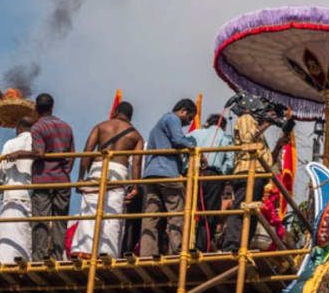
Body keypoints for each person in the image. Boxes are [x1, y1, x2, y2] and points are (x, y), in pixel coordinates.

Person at [5, 93, 74, 261]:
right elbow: (72, 154)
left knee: (41, 220)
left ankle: (39, 257)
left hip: (43, 179)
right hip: (62, 179)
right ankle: (57, 256)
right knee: (60, 220)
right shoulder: (66, 127)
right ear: (52, 107)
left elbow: (39, 153)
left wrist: (19, 153)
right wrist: (65, 171)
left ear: (36, 108)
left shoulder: (37, 127)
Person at [69, 101, 143, 258]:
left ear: (115, 112)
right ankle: (106, 253)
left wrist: (80, 178)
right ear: (130, 117)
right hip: (118, 174)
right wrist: (135, 187)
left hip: (97, 170)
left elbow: (87, 151)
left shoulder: (101, 126)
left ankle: (83, 250)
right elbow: (136, 162)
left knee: (89, 212)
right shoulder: (136, 136)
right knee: (112, 215)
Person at [138, 98, 198, 257]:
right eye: (189, 118)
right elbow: (178, 139)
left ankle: (147, 253)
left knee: (151, 216)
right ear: (184, 111)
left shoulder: (160, 124)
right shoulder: (172, 118)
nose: (188, 123)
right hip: (166, 172)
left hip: (151, 175)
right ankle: (177, 250)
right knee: (177, 213)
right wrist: (194, 149)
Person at [221, 109, 274, 252]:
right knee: (240, 210)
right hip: (247, 171)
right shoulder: (246, 117)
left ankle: (243, 246)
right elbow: (247, 140)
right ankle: (231, 246)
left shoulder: (255, 125)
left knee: (251, 213)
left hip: (257, 173)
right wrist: (265, 125)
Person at [187, 113, 234, 251]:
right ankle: (201, 247)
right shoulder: (225, 137)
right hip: (213, 176)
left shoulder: (194, 134)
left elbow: (185, 153)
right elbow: (230, 161)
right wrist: (222, 176)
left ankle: (185, 245)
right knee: (209, 213)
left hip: (192, 175)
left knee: (188, 211)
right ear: (223, 126)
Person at [0, 115, 35, 263]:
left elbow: (0, 169)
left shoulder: (10, 144)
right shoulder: (37, 143)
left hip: (11, 192)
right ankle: (24, 259)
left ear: (19, 128)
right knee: (25, 229)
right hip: (31, 193)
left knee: (9, 229)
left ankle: (5, 260)